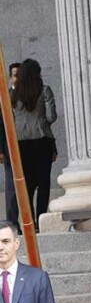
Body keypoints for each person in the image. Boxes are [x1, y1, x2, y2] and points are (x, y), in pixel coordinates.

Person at [10, 59, 57, 228]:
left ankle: (30, 223)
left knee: (28, 184)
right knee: (43, 183)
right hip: (43, 140)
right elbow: (52, 116)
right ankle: (41, 219)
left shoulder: (13, 95)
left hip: (22, 144)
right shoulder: (44, 91)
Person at [0, 63, 21, 230]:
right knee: (11, 188)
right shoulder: (4, 96)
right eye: (15, 75)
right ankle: (12, 221)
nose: (18, 78)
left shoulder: (30, 94)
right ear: (10, 77)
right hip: (9, 147)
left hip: (28, 146)